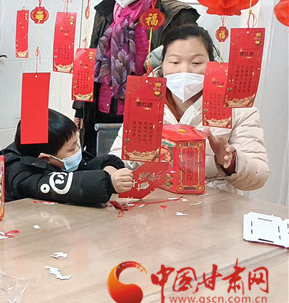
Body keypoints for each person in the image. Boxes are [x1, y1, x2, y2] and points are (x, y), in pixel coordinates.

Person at [109, 23, 269, 191]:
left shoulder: (237, 107)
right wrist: (114, 172)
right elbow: (119, 159)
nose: (184, 70)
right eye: (175, 62)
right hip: (154, 200)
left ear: (212, 63)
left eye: (196, 62)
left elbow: (259, 176)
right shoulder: (143, 101)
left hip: (214, 203)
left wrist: (232, 161)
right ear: (162, 64)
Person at [74, 0, 200, 158]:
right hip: (104, 107)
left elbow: (189, 65)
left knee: (143, 165)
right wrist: (80, 107)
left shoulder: (175, 14)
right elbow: (92, 57)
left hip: (150, 109)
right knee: (103, 164)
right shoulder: (106, 11)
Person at [0, 109, 134, 205]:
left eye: (77, 144)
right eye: (71, 149)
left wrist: (109, 166)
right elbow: (65, 185)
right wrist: (108, 183)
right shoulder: (20, 173)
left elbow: (86, 165)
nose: (78, 151)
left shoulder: (54, 156)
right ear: (45, 159)